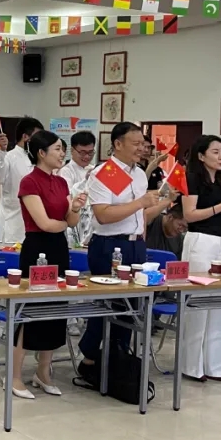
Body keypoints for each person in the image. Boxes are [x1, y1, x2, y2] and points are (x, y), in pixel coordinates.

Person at [78, 122, 168, 372]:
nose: (141, 148)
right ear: (117, 144)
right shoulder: (105, 172)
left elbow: (139, 214)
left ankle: (119, 355)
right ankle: (90, 359)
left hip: (135, 245)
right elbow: (103, 215)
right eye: (136, 143)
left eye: (143, 144)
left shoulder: (139, 174)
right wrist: (140, 202)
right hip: (109, 245)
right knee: (107, 304)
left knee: (130, 306)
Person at [10, 130, 85, 399]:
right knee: (29, 314)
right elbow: (43, 223)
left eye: (62, 149)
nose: (62, 153)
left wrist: (75, 208)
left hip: (59, 248)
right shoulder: (29, 182)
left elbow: (71, 222)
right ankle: (15, 376)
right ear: (41, 153)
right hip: (37, 249)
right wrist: (64, 222)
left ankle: (43, 372)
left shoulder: (62, 183)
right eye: (57, 149)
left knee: (55, 312)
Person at [179, 135, 221, 381]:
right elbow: (189, 215)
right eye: (215, 152)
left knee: (217, 302)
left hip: (220, 240)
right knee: (198, 302)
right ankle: (191, 366)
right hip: (200, 240)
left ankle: (213, 366)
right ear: (201, 156)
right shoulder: (192, 178)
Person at [0, 118, 44, 245]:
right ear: (25, 137)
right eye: (37, 136)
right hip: (13, 226)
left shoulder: (38, 159)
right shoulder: (8, 157)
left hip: (37, 226)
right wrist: (1, 151)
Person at [58, 131, 96, 248]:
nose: (87, 156)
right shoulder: (65, 171)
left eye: (90, 152)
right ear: (72, 150)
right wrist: (85, 180)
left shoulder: (94, 169)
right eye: (82, 152)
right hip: (74, 224)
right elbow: (69, 197)